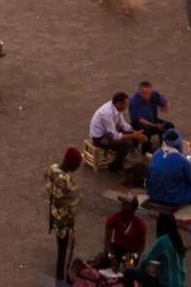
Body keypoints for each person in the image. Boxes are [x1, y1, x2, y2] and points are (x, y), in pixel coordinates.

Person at [45, 146, 82, 284]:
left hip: (53, 213)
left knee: (60, 247)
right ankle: (61, 280)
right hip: (65, 220)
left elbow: (49, 186)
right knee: (64, 253)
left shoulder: (52, 169)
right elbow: (74, 199)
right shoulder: (67, 180)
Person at [88, 92, 146, 170]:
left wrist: (135, 133)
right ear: (119, 103)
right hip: (100, 138)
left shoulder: (117, 109)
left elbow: (123, 125)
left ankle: (124, 158)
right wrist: (134, 135)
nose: (127, 106)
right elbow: (115, 136)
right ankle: (114, 166)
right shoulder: (107, 113)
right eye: (125, 104)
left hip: (109, 132)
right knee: (127, 144)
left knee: (133, 138)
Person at [143, 129, 191, 207]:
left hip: (152, 193)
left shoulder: (156, 154)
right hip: (171, 197)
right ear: (179, 143)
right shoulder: (181, 160)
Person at [132, 209, 187, 285]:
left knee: (130, 271)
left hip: (167, 284)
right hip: (180, 283)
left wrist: (140, 266)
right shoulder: (177, 240)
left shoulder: (162, 241)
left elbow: (147, 259)